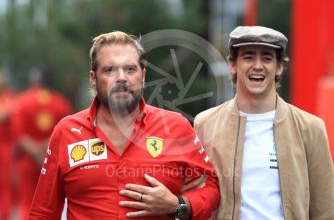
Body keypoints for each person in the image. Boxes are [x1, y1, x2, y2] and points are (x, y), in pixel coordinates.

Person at [29, 31, 220, 219]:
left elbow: (212, 189)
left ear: (143, 76)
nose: (121, 78)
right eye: (109, 70)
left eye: (130, 69)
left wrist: (176, 205)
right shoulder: (67, 132)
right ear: (93, 79)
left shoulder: (176, 127)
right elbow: (43, 212)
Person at [194, 26, 334, 219]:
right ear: (232, 64)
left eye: (267, 58)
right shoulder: (205, 124)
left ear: (279, 66)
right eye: (248, 57)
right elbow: (194, 198)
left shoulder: (311, 128)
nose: (257, 65)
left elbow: (325, 212)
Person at [11, 68, 72, 220]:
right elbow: (66, 131)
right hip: (53, 161)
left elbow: (19, 135)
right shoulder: (61, 102)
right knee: (52, 205)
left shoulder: (21, 101)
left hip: (27, 161)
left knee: (27, 203)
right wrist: (44, 152)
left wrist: (36, 153)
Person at [0, 70, 16, 220]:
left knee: (5, 182)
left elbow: (5, 115)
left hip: (5, 145)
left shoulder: (9, 97)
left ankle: (5, 214)